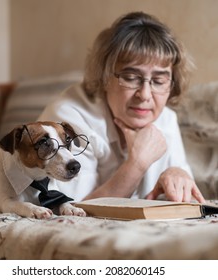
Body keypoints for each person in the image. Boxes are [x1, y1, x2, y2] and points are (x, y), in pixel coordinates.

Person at [37, 11, 205, 203]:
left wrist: (177, 174)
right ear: (105, 76)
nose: (145, 95)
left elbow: (184, 200)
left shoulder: (165, 118)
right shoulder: (68, 120)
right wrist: (137, 165)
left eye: (159, 80)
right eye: (131, 78)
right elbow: (70, 211)